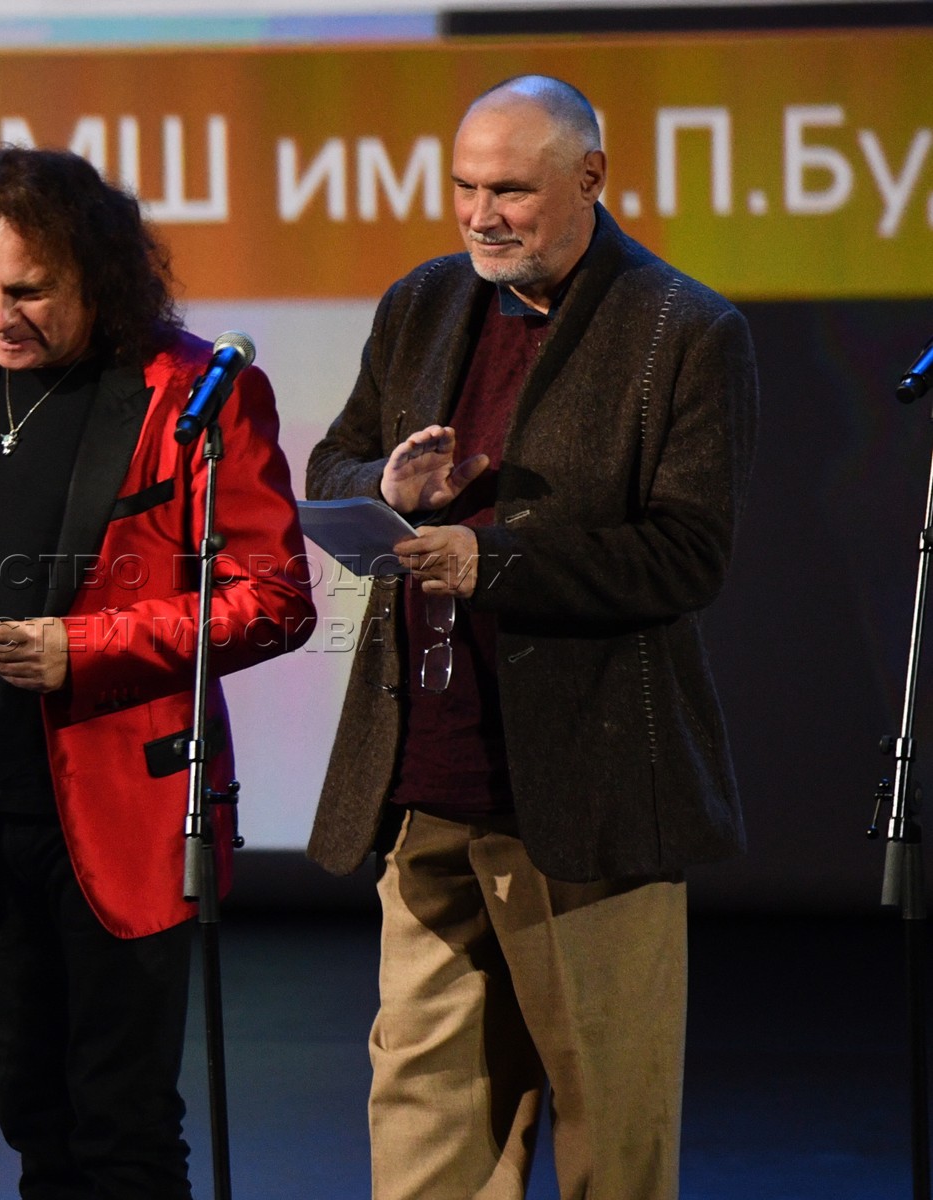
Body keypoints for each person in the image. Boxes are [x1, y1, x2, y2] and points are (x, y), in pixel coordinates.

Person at [305, 75, 758, 1200]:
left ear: (590, 177)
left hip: (589, 798)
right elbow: (331, 466)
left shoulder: (683, 330)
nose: (480, 215)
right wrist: (385, 488)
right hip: (425, 781)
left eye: (508, 189)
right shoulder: (422, 301)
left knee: (613, 1136)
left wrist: (490, 560)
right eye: (464, 187)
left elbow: (685, 557)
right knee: (423, 1139)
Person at [0, 145, 315, 1198]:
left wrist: (81, 650)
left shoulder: (190, 388)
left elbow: (273, 598)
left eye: (28, 292)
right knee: (33, 1118)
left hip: (129, 807)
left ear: (98, 278)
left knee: (121, 1128)